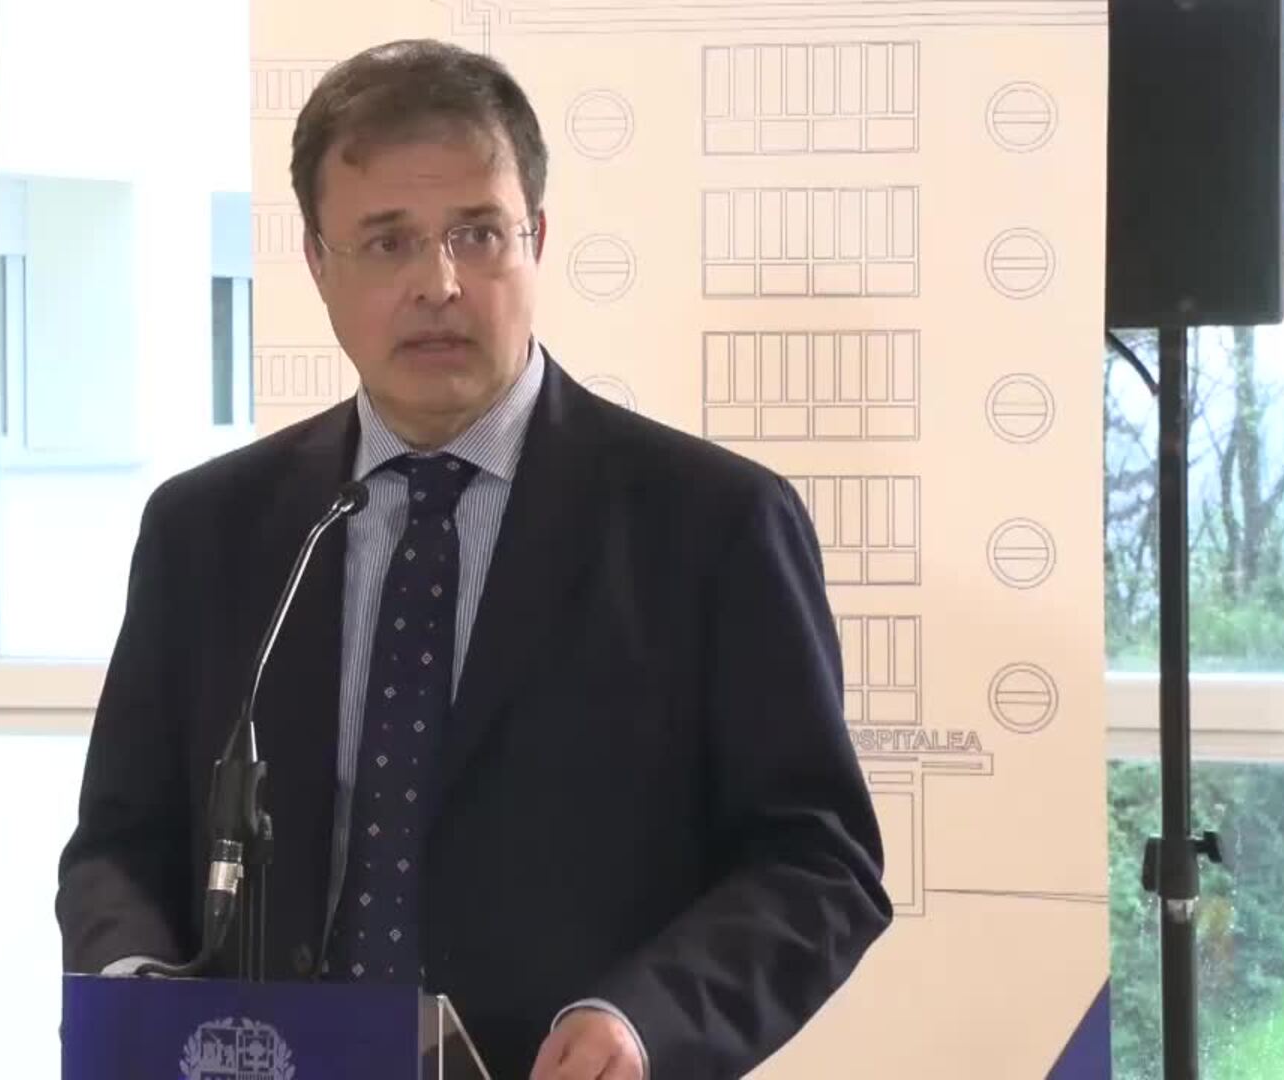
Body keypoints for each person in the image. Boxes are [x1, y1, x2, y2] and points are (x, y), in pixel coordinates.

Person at [56, 38, 891, 1080]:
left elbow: (817, 862)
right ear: (317, 263)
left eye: (478, 235)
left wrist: (643, 1022)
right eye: (388, 242)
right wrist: (136, 997)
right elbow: (121, 843)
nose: (439, 284)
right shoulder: (208, 530)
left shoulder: (712, 527)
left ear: (536, 238)